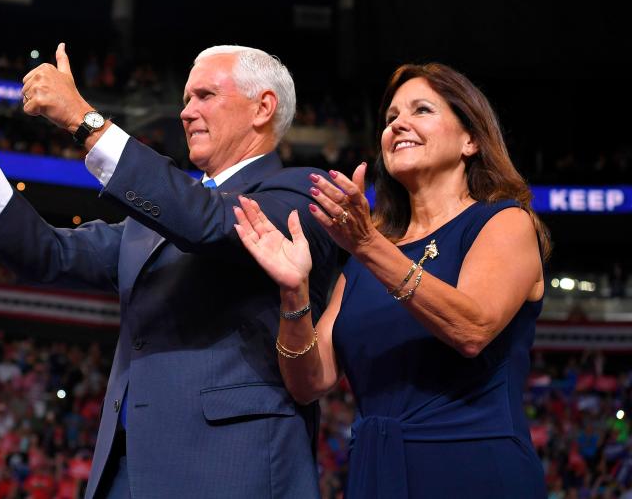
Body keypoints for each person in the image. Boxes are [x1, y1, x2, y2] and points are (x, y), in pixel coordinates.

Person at [0, 43, 337, 498]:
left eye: (204, 96)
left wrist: (84, 119)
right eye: (185, 100)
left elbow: (209, 223)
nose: (186, 112)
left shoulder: (303, 193)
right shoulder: (152, 222)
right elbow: (48, 255)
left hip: (231, 468)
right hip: (127, 470)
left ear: (263, 107)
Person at [233, 63, 550, 498]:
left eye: (421, 110)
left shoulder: (504, 223)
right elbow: (309, 382)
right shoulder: (366, 256)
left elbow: (473, 329)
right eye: (390, 118)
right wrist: (295, 292)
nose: (398, 124)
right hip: (374, 473)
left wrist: (367, 245)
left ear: (470, 139)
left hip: (474, 468)